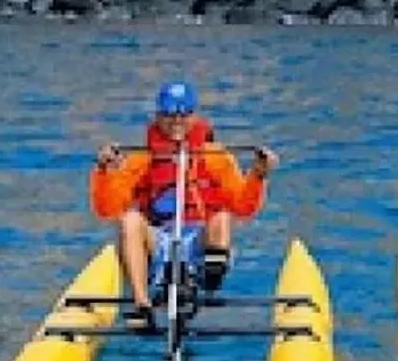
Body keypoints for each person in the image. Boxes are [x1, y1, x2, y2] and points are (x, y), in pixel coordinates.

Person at [94, 80, 279, 329]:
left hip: (199, 241)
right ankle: (141, 304)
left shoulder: (215, 157)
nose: (176, 121)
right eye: (169, 114)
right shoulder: (142, 158)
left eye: (184, 114)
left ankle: (208, 277)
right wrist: (106, 172)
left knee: (222, 216)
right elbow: (109, 209)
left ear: (194, 116)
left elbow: (243, 207)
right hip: (160, 240)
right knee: (129, 221)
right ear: (158, 116)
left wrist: (258, 175)